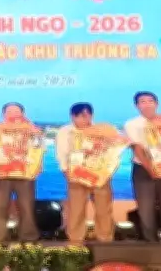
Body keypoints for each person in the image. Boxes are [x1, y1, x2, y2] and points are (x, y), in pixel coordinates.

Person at [125, 91, 161, 242]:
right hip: (143, 169)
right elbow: (137, 149)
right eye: (142, 102)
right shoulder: (132, 124)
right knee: (146, 211)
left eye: (150, 101)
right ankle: (151, 245)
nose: (147, 104)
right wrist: (151, 169)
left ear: (157, 104)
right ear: (137, 106)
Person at [56, 103, 114, 244]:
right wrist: (66, 172)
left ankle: (105, 239)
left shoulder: (102, 131)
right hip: (76, 175)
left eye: (87, 115)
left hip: (100, 175)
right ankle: (75, 240)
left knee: (103, 209)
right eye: (80, 116)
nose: (84, 119)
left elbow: (112, 153)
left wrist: (108, 172)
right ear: (72, 116)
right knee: (76, 209)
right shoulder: (65, 132)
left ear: (92, 115)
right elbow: (61, 154)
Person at [0, 102, 40, 243]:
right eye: (9, 112)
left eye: (16, 112)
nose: (13, 115)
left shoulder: (33, 130)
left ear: (23, 114)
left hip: (25, 176)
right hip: (1, 176)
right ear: (3, 114)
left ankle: (28, 238)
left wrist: (37, 167)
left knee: (27, 208)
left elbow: (38, 150)